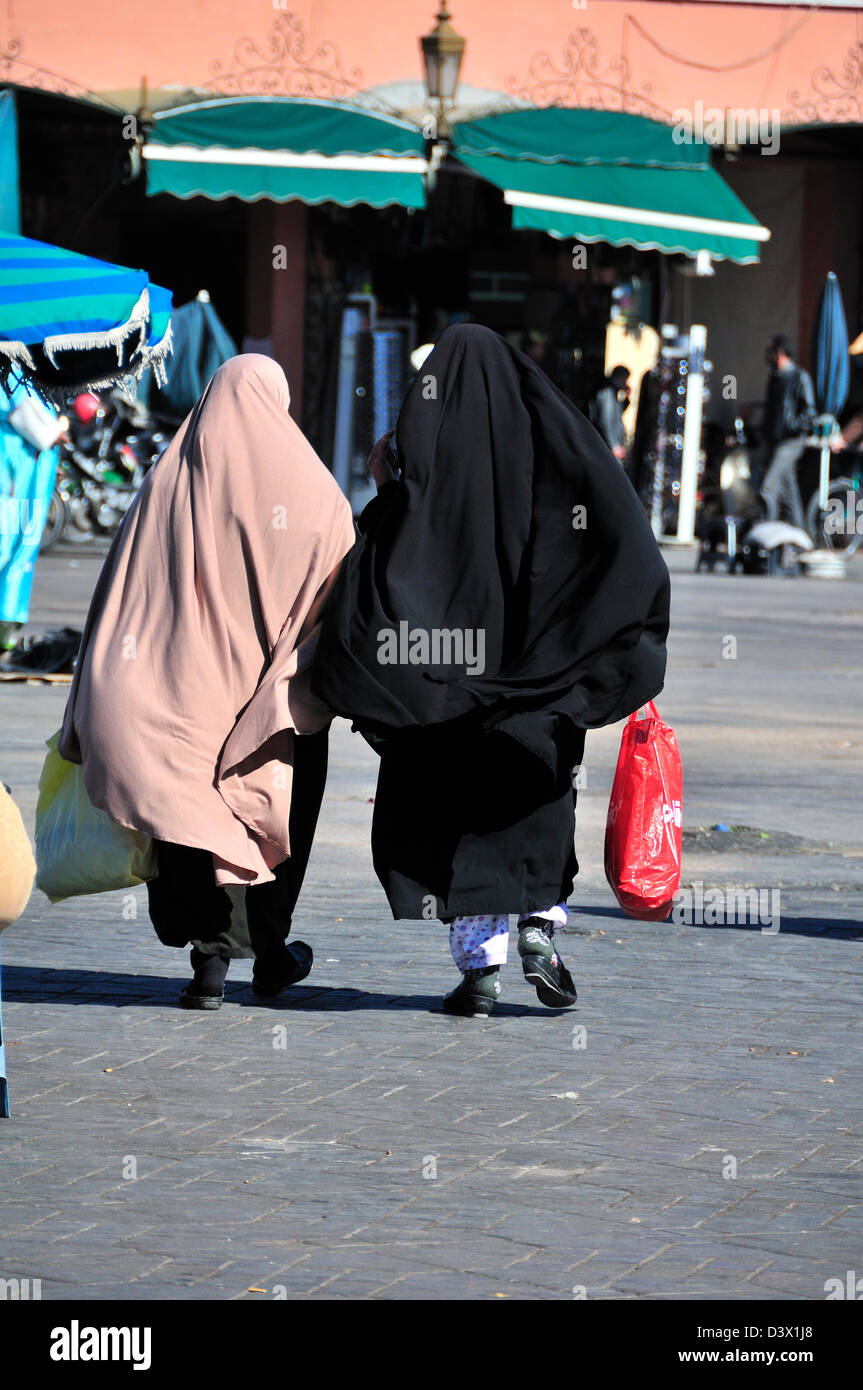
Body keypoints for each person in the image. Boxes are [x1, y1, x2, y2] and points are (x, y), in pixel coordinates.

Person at [312, 324, 670, 1017]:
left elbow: (375, 574)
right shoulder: (558, 454)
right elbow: (627, 544)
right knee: (533, 811)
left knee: (458, 821)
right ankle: (540, 933)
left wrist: (389, 486)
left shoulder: (419, 473)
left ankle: (479, 970)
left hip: (444, 690)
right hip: (541, 690)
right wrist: (591, 651)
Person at [59, 356, 355, 1009]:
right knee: (269, 794)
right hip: (262, 701)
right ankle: (265, 951)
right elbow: (332, 600)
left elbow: (119, 590)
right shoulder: (315, 494)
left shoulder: (167, 480)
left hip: (172, 695)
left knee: (188, 815)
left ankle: (209, 964)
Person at [0, 377, 64, 652]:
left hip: (23, 475)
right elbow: (31, 420)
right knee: (12, 546)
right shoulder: (12, 372)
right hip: (15, 477)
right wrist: (57, 432)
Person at [760, 334, 816, 529]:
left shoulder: (799, 377)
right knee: (790, 494)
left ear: (780, 352)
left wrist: (790, 425)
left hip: (791, 443)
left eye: (770, 352)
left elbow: (809, 412)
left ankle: (766, 536)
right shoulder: (775, 378)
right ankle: (802, 540)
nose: (767, 356)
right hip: (775, 442)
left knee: (768, 487)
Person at [589, 365, 630, 460]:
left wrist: (627, 397)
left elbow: (618, 412)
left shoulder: (614, 392)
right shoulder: (608, 393)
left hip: (611, 445)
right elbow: (606, 420)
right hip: (608, 447)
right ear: (621, 377)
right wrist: (614, 445)